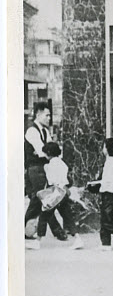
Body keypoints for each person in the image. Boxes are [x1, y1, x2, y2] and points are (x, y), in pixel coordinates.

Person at [24, 142, 84, 250]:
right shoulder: (62, 164)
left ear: (48, 153)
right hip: (63, 193)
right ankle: (77, 239)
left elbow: (51, 182)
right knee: (67, 216)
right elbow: (66, 180)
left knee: (43, 216)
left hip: (55, 194)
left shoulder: (50, 165)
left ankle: (37, 241)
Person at [24, 101, 66, 243]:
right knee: (46, 197)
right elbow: (44, 151)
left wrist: (44, 151)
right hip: (35, 168)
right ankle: (58, 231)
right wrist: (44, 151)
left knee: (38, 199)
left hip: (44, 167)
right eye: (47, 115)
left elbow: (47, 150)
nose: (49, 118)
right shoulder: (31, 130)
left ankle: (23, 228)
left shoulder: (45, 131)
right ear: (38, 114)